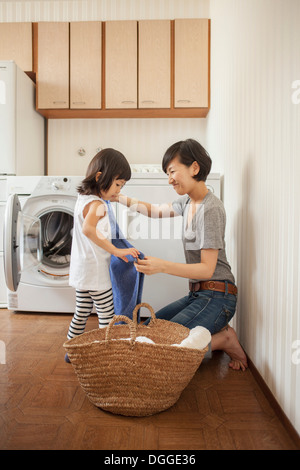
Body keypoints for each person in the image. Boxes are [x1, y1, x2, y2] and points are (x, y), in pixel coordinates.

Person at [117, 139, 248, 371]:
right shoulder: (187, 201)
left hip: (219, 298)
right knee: (148, 330)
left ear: (194, 168)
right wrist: (118, 198)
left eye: (172, 171)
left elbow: (207, 269)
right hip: (198, 295)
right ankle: (217, 334)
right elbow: (155, 211)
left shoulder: (211, 209)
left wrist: (162, 266)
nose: (169, 179)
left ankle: (223, 339)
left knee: (162, 346)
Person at [66, 148, 140, 349]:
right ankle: (105, 356)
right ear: (100, 177)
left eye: (122, 185)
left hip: (82, 270)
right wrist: (116, 251)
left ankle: (71, 350)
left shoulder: (85, 199)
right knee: (107, 317)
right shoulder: (98, 204)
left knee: (81, 313)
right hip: (96, 273)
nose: (119, 190)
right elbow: (89, 229)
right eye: (117, 184)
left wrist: (113, 196)